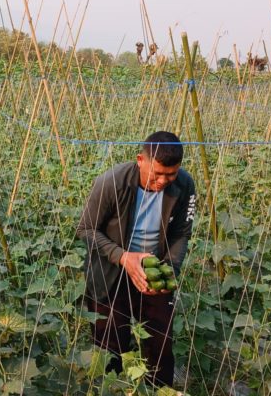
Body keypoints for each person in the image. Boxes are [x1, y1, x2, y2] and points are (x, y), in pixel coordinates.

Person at [77, 131, 196, 387]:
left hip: (154, 268)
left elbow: (181, 233)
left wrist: (170, 269)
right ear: (141, 159)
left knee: (160, 341)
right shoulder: (111, 182)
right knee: (109, 342)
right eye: (158, 173)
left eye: (171, 174)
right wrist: (123, 257)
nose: (164, 181)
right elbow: (85, 229)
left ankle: (158, 389)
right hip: (111, 272)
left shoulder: (185, 185)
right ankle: (110, 388)